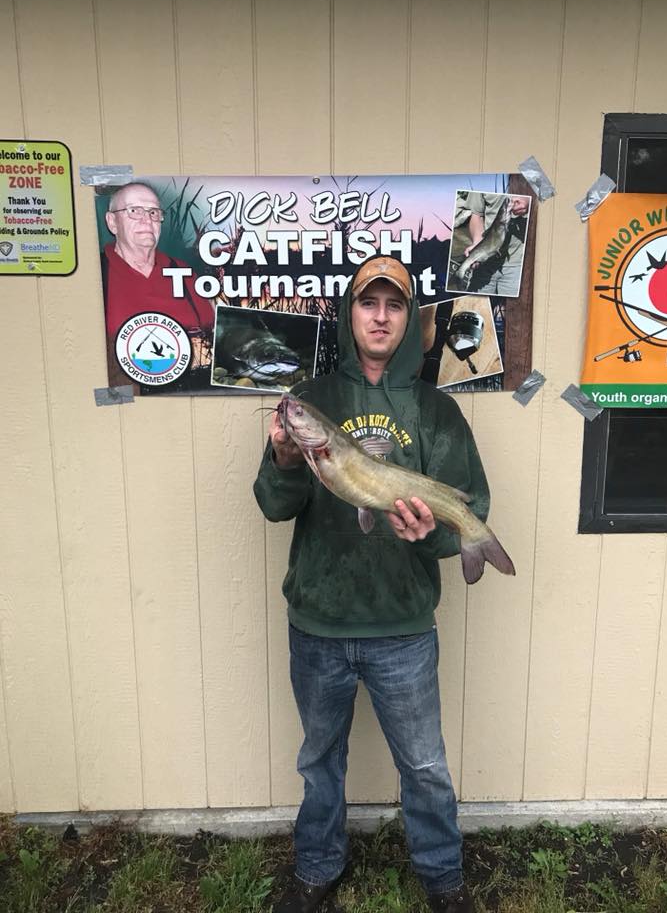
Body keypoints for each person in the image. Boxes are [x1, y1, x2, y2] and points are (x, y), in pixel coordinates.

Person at [254, 256, 491, 913]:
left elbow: (467, 511)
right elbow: (275, 507)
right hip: (319, 624)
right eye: (368, 303)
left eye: (394, 304)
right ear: (350, 314)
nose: (381, 315)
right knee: (319, 761)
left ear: (411, 319)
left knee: (424, 768)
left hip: (403, 629)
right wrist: (281, 456)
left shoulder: (437, 412)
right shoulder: (313, 402)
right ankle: (318, 869)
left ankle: (444, 880)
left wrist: (440, 535)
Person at [102, 181, 214, 339]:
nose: (147, 220)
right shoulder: (97, 274)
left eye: (153, 212)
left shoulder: (182, 272)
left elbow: (212, 333)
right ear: (112, 222)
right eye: (134, 210)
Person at [451, 191, 530, 296]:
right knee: (477, 306)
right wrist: (477, 242)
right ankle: (459, 274)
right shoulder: (480, 181)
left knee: (514, 309)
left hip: (518, 264)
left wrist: (529, 201)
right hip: (485, 266)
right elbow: (476, 215)